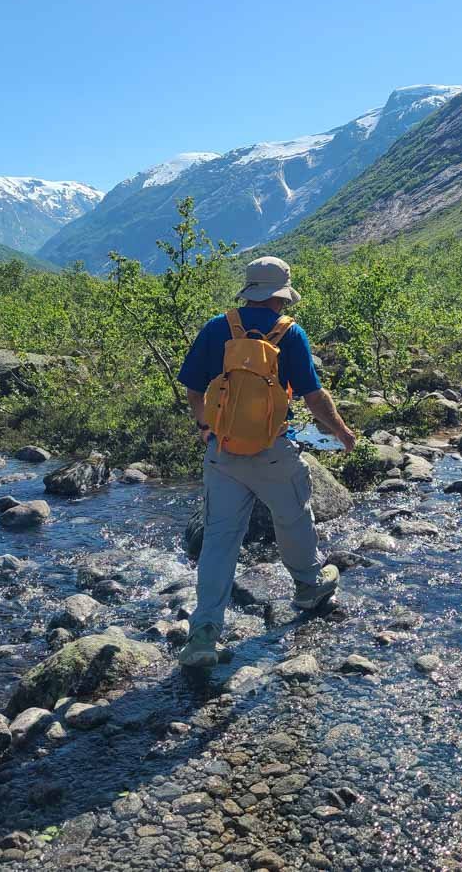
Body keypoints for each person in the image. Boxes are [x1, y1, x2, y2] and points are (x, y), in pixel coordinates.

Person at [176, 256, 357, 668]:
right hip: (274, 450)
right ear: (281, 294)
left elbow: (193, 388)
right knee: (293, 519)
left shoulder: (217, 327)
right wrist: (342, 433)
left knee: (220, 540)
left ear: (249, 289)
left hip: (222, 452)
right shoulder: (289, 333)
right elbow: (313, 397)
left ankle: (203, 635)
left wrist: (207, 428)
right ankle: (309, 586)